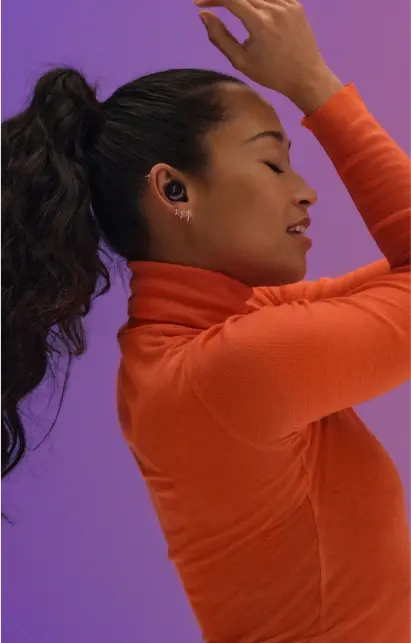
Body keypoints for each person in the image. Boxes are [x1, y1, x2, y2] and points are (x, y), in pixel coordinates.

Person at [1, 0, 411, 640]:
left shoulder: (194, 346)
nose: (305, 191)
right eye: (273, 164)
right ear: (174, 191)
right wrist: (312, 83)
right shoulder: (234, 365)